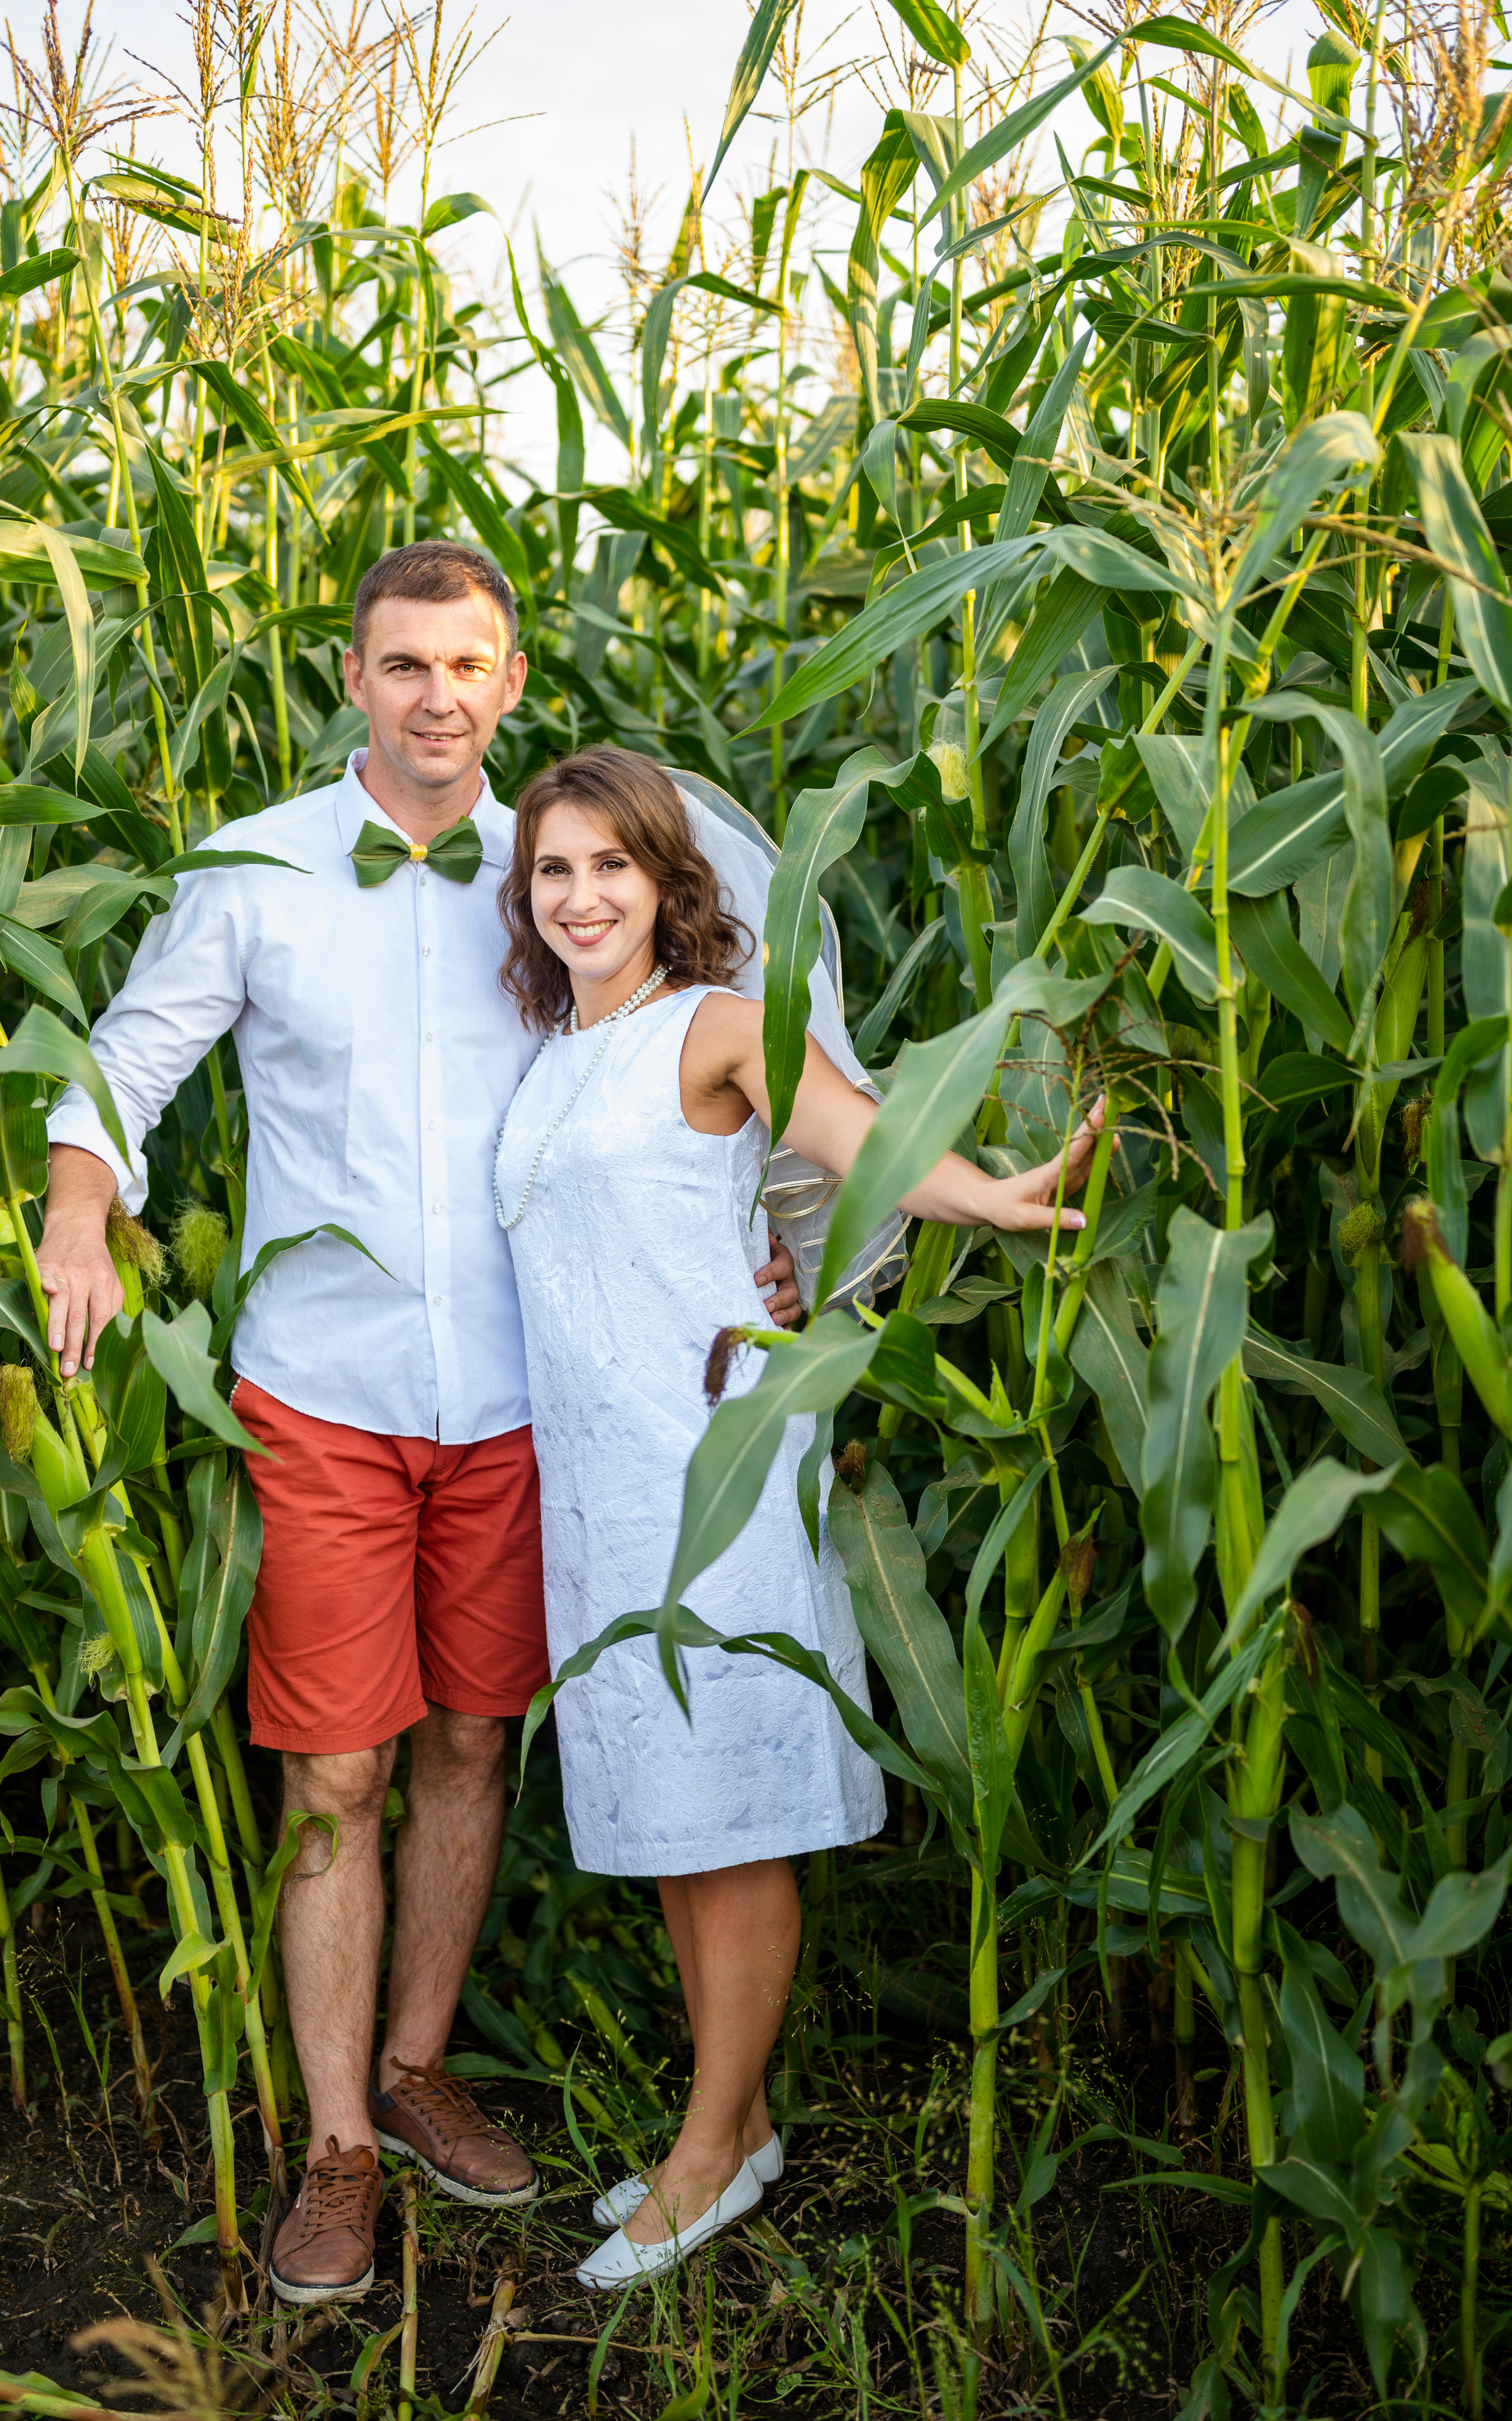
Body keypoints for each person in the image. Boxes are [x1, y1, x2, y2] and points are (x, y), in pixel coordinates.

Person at [35, 543, 804, 2306]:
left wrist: (770, 1238)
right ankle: (336, 2154)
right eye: (404, 665)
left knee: (471, 1748)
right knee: (339, 1774)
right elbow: (122, 1063)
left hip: (531, 1399)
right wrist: (81, 1212)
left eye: (469, 665)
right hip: (327, 1394)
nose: (438, 696)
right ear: (356, 679)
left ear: (512, 680)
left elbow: (732, 1035)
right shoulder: (253, 875)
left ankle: (417, 2065)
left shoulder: (558, 868)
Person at [493, 745, 1101, 2290]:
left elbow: (864, 1145)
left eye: (610, 868)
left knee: (733, 1815)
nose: (579, 898)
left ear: (669, 882)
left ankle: (704, 2164)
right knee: (679, 1828)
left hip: (709, 1466)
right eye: (553, 871)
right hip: (599, 1488)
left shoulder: (716, 1027)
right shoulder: (554, 1049)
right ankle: (738, 2118)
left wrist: (1001, 1195)